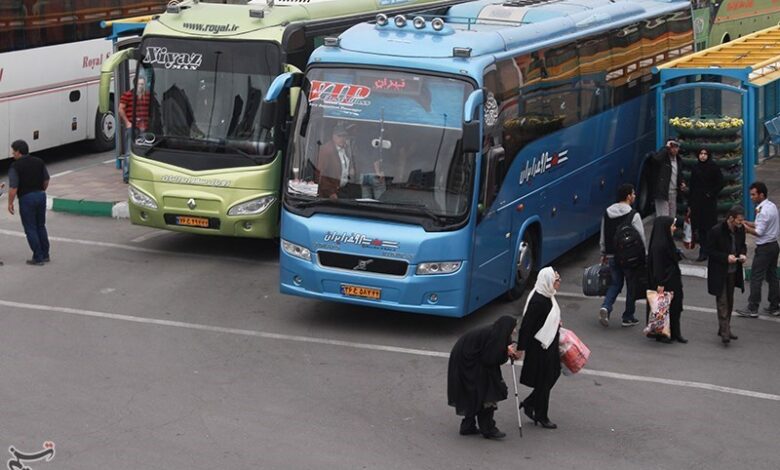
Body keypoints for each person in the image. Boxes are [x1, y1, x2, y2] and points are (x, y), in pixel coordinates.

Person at [447, 315, 517, 440]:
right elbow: (490, 359)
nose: (514, 331)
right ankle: (488, 428)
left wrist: (504, 349)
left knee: (475, 393)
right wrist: (505, 353)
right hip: (469, 363)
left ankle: (468, 426)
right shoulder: (496, 335)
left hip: (466, 360)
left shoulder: (495, 332)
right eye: (513, 328)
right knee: (488, 393)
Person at [517, 267, 562, 429]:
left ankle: (530, 403)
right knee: (545, 379)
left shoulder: (547, 294)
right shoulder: (538, 300)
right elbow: (527, 325)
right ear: (548, 281)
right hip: (540, 347)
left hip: (549, 344)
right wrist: (520, 347)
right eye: (556, 280)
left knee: (552, 374)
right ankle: (541, 415)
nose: (559, 282)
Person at [598, 183, 647, 327]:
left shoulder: (607, 213)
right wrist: (643, 255)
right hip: (629, 258)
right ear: (628, 197)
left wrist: (603, 252)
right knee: (631, 286)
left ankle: (606, 306)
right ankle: (628, 316)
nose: (634, 196)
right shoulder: (633, 215)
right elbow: (641, 237)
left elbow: (603, 234)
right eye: (633, 193)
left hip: (612, 255)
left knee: (615, 283)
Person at [737, 182, 780, 317]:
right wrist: (748, 223)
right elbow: (761, 224)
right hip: (774, 245)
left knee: (756, 277)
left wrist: (744, 228)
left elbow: (759, 231)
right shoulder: (771, 206)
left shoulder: (762, 211)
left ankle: (753, 307)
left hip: (765, 248)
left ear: (761, 195)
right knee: (772, 276)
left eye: (753, 195)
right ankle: (775, 305)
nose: (751, 197)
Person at [706, 205, 747, 344]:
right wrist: (725, 258)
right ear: (731, 218)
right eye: (739, 220)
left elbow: (743, 245)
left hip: (733, 270)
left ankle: (724, 327)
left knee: (730, 300)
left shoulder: (740, 230)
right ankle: (725, 332)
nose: (741, 223)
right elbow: (710, 251)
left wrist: (742, 254)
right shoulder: (716, 231)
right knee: (722, 300)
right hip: (719, 271)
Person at [7, 140, 50, 266]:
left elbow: (13, 187)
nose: (12, 154)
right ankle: (45, 254)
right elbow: (46, 179)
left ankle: (38, 257)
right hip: (41, 195)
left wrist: (10, 203)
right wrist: (40, 190)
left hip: (26, 198)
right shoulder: (39, 161)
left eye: (13, 151)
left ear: (19, 152)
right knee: (40, 225)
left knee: (30, 228)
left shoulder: (15, 166)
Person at [647, 216, 687, 343]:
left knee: (675, 307)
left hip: (672, 279)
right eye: (672, 225)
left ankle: (675, 332)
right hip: (665, 282)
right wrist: (660, 283)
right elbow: (658, 266)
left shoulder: (666, 241)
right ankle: (663, 334)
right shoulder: (659, 245)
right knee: (664, 309)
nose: (674, 228)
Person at [688, 148, 723, 261]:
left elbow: (720, 183)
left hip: (709, 203)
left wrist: (711, 193)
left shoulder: (713, 167)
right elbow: (692, 186)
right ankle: (703, 251)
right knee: (701, 229)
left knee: (709, 228)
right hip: (698, 203)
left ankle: (710, 250)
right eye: (701, 154)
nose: (703, 156)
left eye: (705, 154)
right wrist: (690, 204)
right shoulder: (695, 168)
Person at [316, 123, 357, 199]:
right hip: (332, 193)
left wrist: (350, 169)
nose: (342, 138)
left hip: (344, 189)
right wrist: (330, 192)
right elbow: (320, 174)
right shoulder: (326, 150)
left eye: (344, 136)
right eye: (339, 136)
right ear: (333, 136)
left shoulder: (346, 148)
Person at [651, 140, 686, 218]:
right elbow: (656, 159)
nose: (674, 149)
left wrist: (682, 182)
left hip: (673, 192)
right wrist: (666, 148)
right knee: (663, 217)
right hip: (662, 192)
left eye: (676, 147)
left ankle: (670, 230)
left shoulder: (678, 160)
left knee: (672, 218)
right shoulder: (663, 158)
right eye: (672, 147)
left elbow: (679, 174)